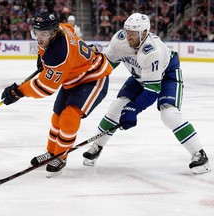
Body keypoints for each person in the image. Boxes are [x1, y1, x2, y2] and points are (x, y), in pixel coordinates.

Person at [82, 13, 211, 174]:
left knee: (169, 113)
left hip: (167, 76)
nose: (128, 37)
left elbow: (152, 91)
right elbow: (106, 65)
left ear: (144, 33)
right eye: (127, 32)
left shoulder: (152, 52)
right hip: (140, 76)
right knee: (117, 106)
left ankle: (199, 154)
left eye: (133, 33)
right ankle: (97, 146)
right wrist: (89, 71)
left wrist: (134, 108)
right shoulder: (119, 39)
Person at [1, 11, 113, 177]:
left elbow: (45, 88)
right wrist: (42, 59)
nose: (39, 37)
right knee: (57, 116)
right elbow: (70, 28)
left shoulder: (59, 53)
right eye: (36, 32)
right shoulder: (59, 29)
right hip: (73, 77)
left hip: (94, 77)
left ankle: (60, 156)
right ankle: (51, 152)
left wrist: (18, 91)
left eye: (43, 34)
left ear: (53, 33)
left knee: (69, 115)